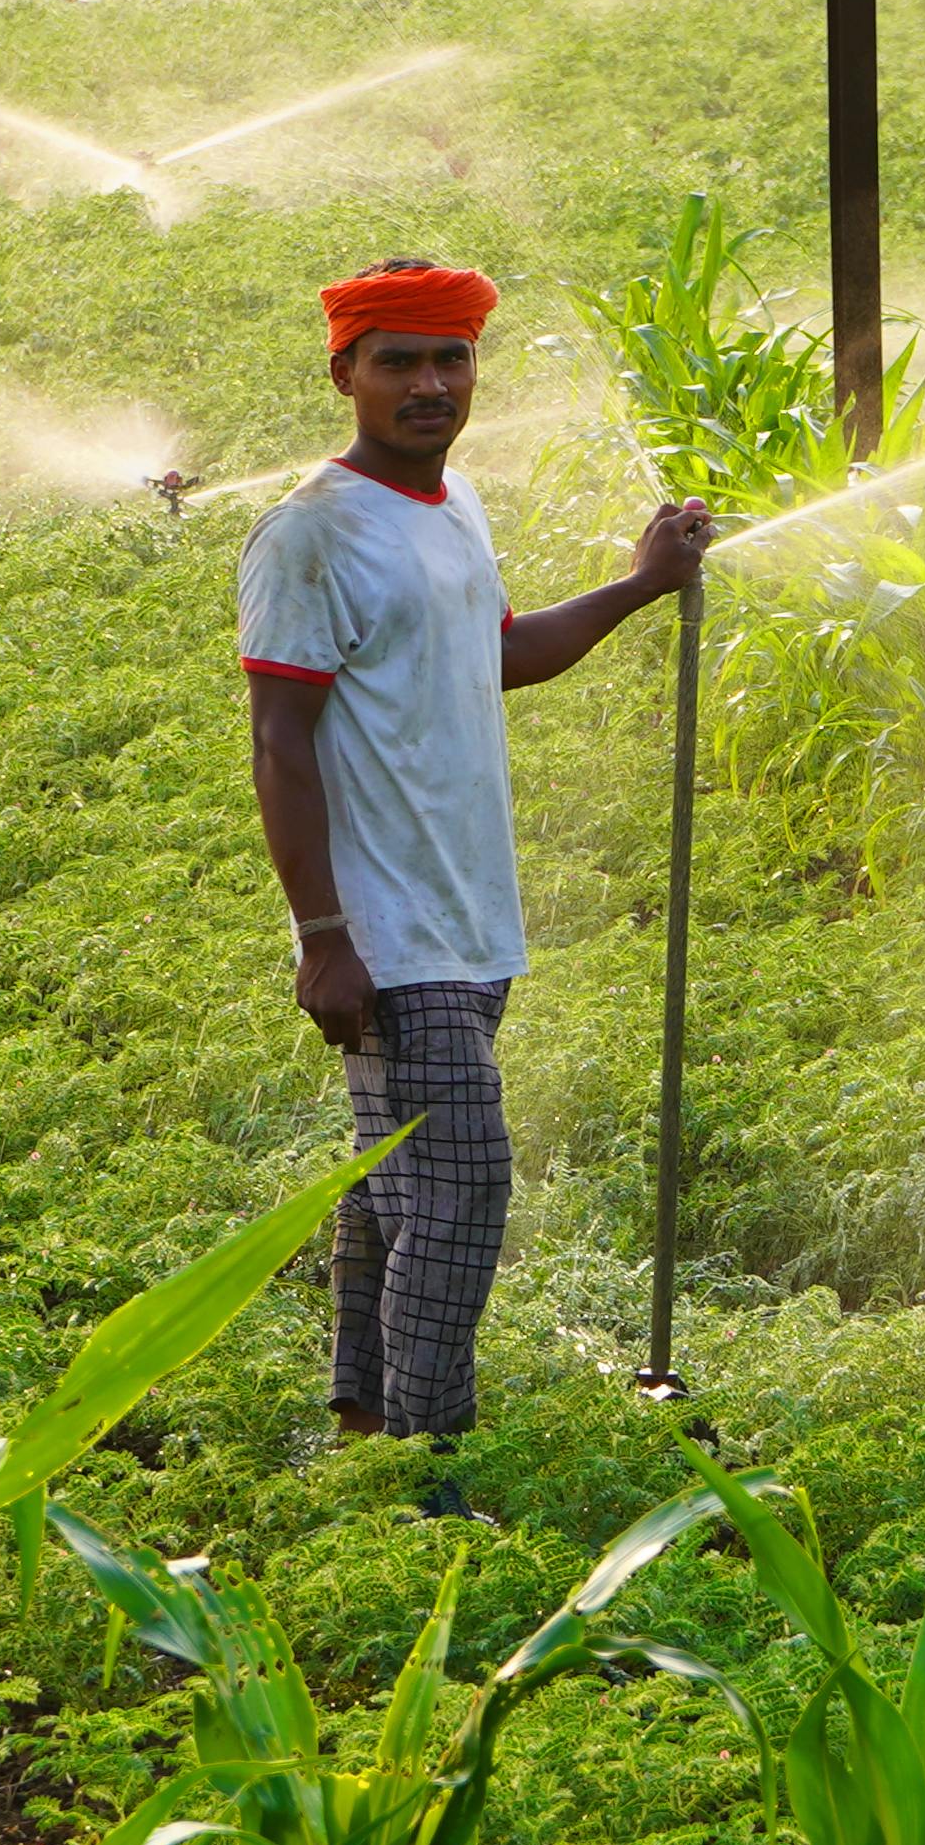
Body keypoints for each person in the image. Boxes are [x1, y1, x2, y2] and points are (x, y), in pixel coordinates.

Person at [237, 257, 716, 1443]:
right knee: (461, 1194)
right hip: (390, 938)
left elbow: (494, 652)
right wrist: (324, 939)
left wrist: (640, 585)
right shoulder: (308, 534)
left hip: (467, 918)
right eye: (398, 359)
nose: (431, 383)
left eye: (450, 358)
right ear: (344, 371)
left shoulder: (452, 508)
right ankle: (430, 1460)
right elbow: (279, 743)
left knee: (395, 1186)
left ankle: (362, 1424)